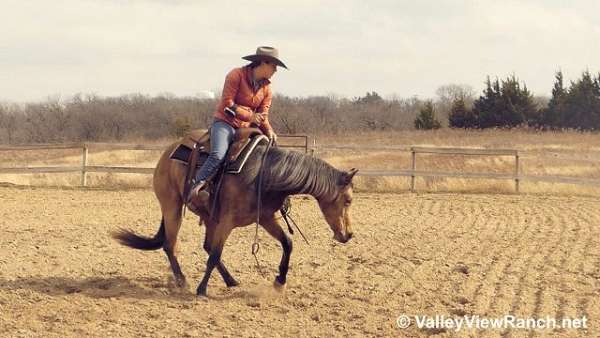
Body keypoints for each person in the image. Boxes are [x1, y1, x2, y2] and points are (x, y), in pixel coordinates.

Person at [188, 46, 288, 201]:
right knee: (218, 154)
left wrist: (269, 131)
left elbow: (263, 116)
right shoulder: (236, 75)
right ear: (263, 63)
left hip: (246, 128)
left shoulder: (267, 88)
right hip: (225, 123)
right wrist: (250, 116)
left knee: (268, 154)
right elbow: (228, 104)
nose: (276, 70)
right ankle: (196, 186)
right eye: (274, 66)